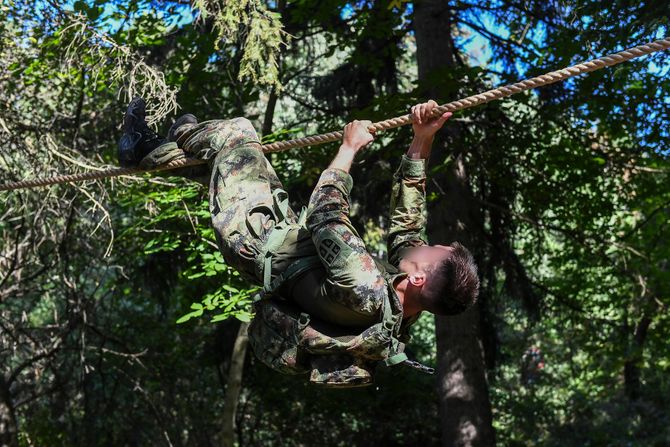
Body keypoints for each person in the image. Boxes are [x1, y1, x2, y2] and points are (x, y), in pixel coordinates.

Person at [119, 98, 479, 386]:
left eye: (432, 249)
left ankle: (169, 140)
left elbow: (325, 213)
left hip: (253, 236)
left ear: (420, 277)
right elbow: (408, 228)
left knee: (237, 135)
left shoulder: (366, 286)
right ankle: (158, 151)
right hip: (280, 236)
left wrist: (349, 148)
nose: (425, 243)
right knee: (223, 161)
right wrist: (422, 139)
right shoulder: (400, 308)